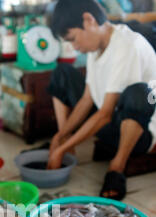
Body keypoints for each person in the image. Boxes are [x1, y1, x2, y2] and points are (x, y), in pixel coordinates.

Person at [47, 0, 156, 200]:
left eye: (73, 39)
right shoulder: (96, 45)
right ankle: (66, 145)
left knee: (140, 92)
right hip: (111, 124)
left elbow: (104, 114)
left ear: (88, 21)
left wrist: (60, 149)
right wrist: (61, 136)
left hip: (140, 134)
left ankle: (117, 168)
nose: (75, 47)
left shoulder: (127, 43)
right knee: (62, 72)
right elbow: (87, 99)